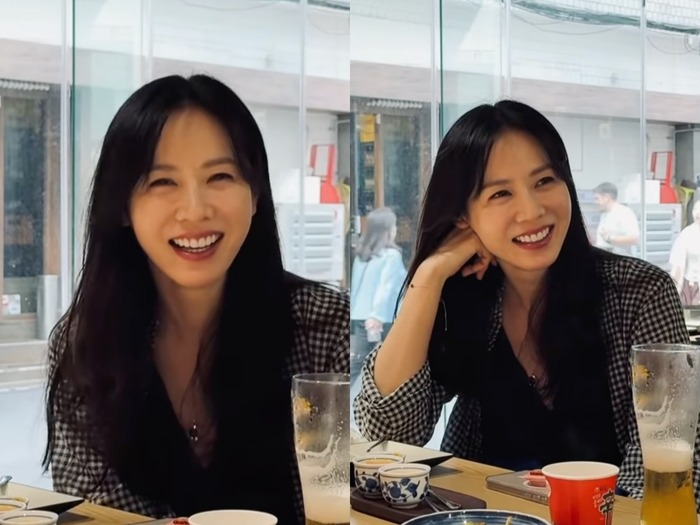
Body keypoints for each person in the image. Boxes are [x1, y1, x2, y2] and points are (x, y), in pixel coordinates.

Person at [353, 100, 699, 504]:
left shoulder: (639, 293)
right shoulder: (466, 297)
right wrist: (429, 276)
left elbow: (667, 466)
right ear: (463, 215)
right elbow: (387, 436)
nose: (532, 210)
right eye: (501, 193)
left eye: (544, 181)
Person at [42, 74, 349, 525]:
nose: (195, 210)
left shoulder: (323, 325)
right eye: (162, 182)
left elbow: (347, 499)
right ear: (122, 206)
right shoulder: (86, 346)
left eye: (220, 176)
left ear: (255, 195)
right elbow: (95, 515)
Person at [350, 207, 406, 387]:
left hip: (361, 315)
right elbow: (385, 287)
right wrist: (376, 315)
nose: (395, 229)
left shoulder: (362, 256)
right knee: (395, 360)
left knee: (357, 362)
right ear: (386, 230)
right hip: (384, 317)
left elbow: (356, 286)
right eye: (394, 226)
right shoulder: (392, 256)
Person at [593, 182, 640, 256]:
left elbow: (634, 239)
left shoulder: (623, 212)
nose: (596, 202)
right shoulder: (605, 214)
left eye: (597, 199)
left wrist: (609, 239)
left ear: (606, 197)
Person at [670, 200, 700, 305]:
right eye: (695, 209)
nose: (698, 213)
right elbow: (677, 265)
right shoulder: (686, 233)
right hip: (686, 284)